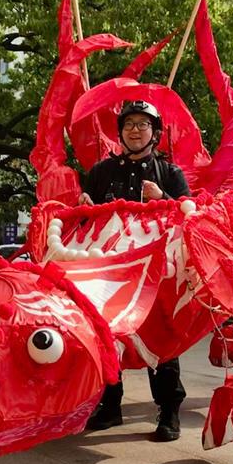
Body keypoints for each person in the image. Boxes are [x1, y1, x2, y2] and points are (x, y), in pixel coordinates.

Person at [79, 100, 190, 442]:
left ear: (155, 133)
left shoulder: (171, 174)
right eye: (129, 125)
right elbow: (87, 221)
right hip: (108, 270)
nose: (135, 130)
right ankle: (110, 405)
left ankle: (169, 410)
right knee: (106, 334)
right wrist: (85, 207)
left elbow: (189, 214)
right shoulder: (101, 172)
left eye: (143, 125)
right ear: (120, 133)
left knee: (158, 337)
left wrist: (166, 197)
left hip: (154, 273)